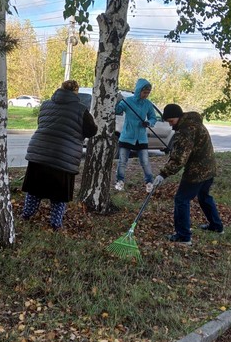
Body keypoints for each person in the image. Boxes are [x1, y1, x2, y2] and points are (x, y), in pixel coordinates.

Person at [21, 79, 98, 230]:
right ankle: (55, 224)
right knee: (59, 194)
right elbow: (91, 131)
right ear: (76, 92)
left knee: (34, 189)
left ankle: (26, 215)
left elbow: (41, 123)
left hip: (39, 153)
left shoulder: (45, 105)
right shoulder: (81, 109)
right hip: (64, 157)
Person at [152, 104, 224, 245]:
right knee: (204, 196)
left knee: (181, 200)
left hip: (197, 172)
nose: (170, 125)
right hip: (209, 168)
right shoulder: (194, 123)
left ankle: (183, 236)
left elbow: (180, 159)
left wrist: (163, 174)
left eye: (171, 121)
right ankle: (216, 226)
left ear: (178, 117)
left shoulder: (186, 130)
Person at [114, 78, 158, 193]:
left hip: (141, 137)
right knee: (122, 161)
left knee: (145, 161)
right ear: (139, 91)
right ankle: (120, 181)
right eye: (144, 92)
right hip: (126, 136)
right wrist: (117, 100)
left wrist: (149, 123)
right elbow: (117, 109)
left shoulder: (148, 104)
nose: (146, 95)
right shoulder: (128, 101)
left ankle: (149, 182)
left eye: (148, 93)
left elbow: (153, 117)